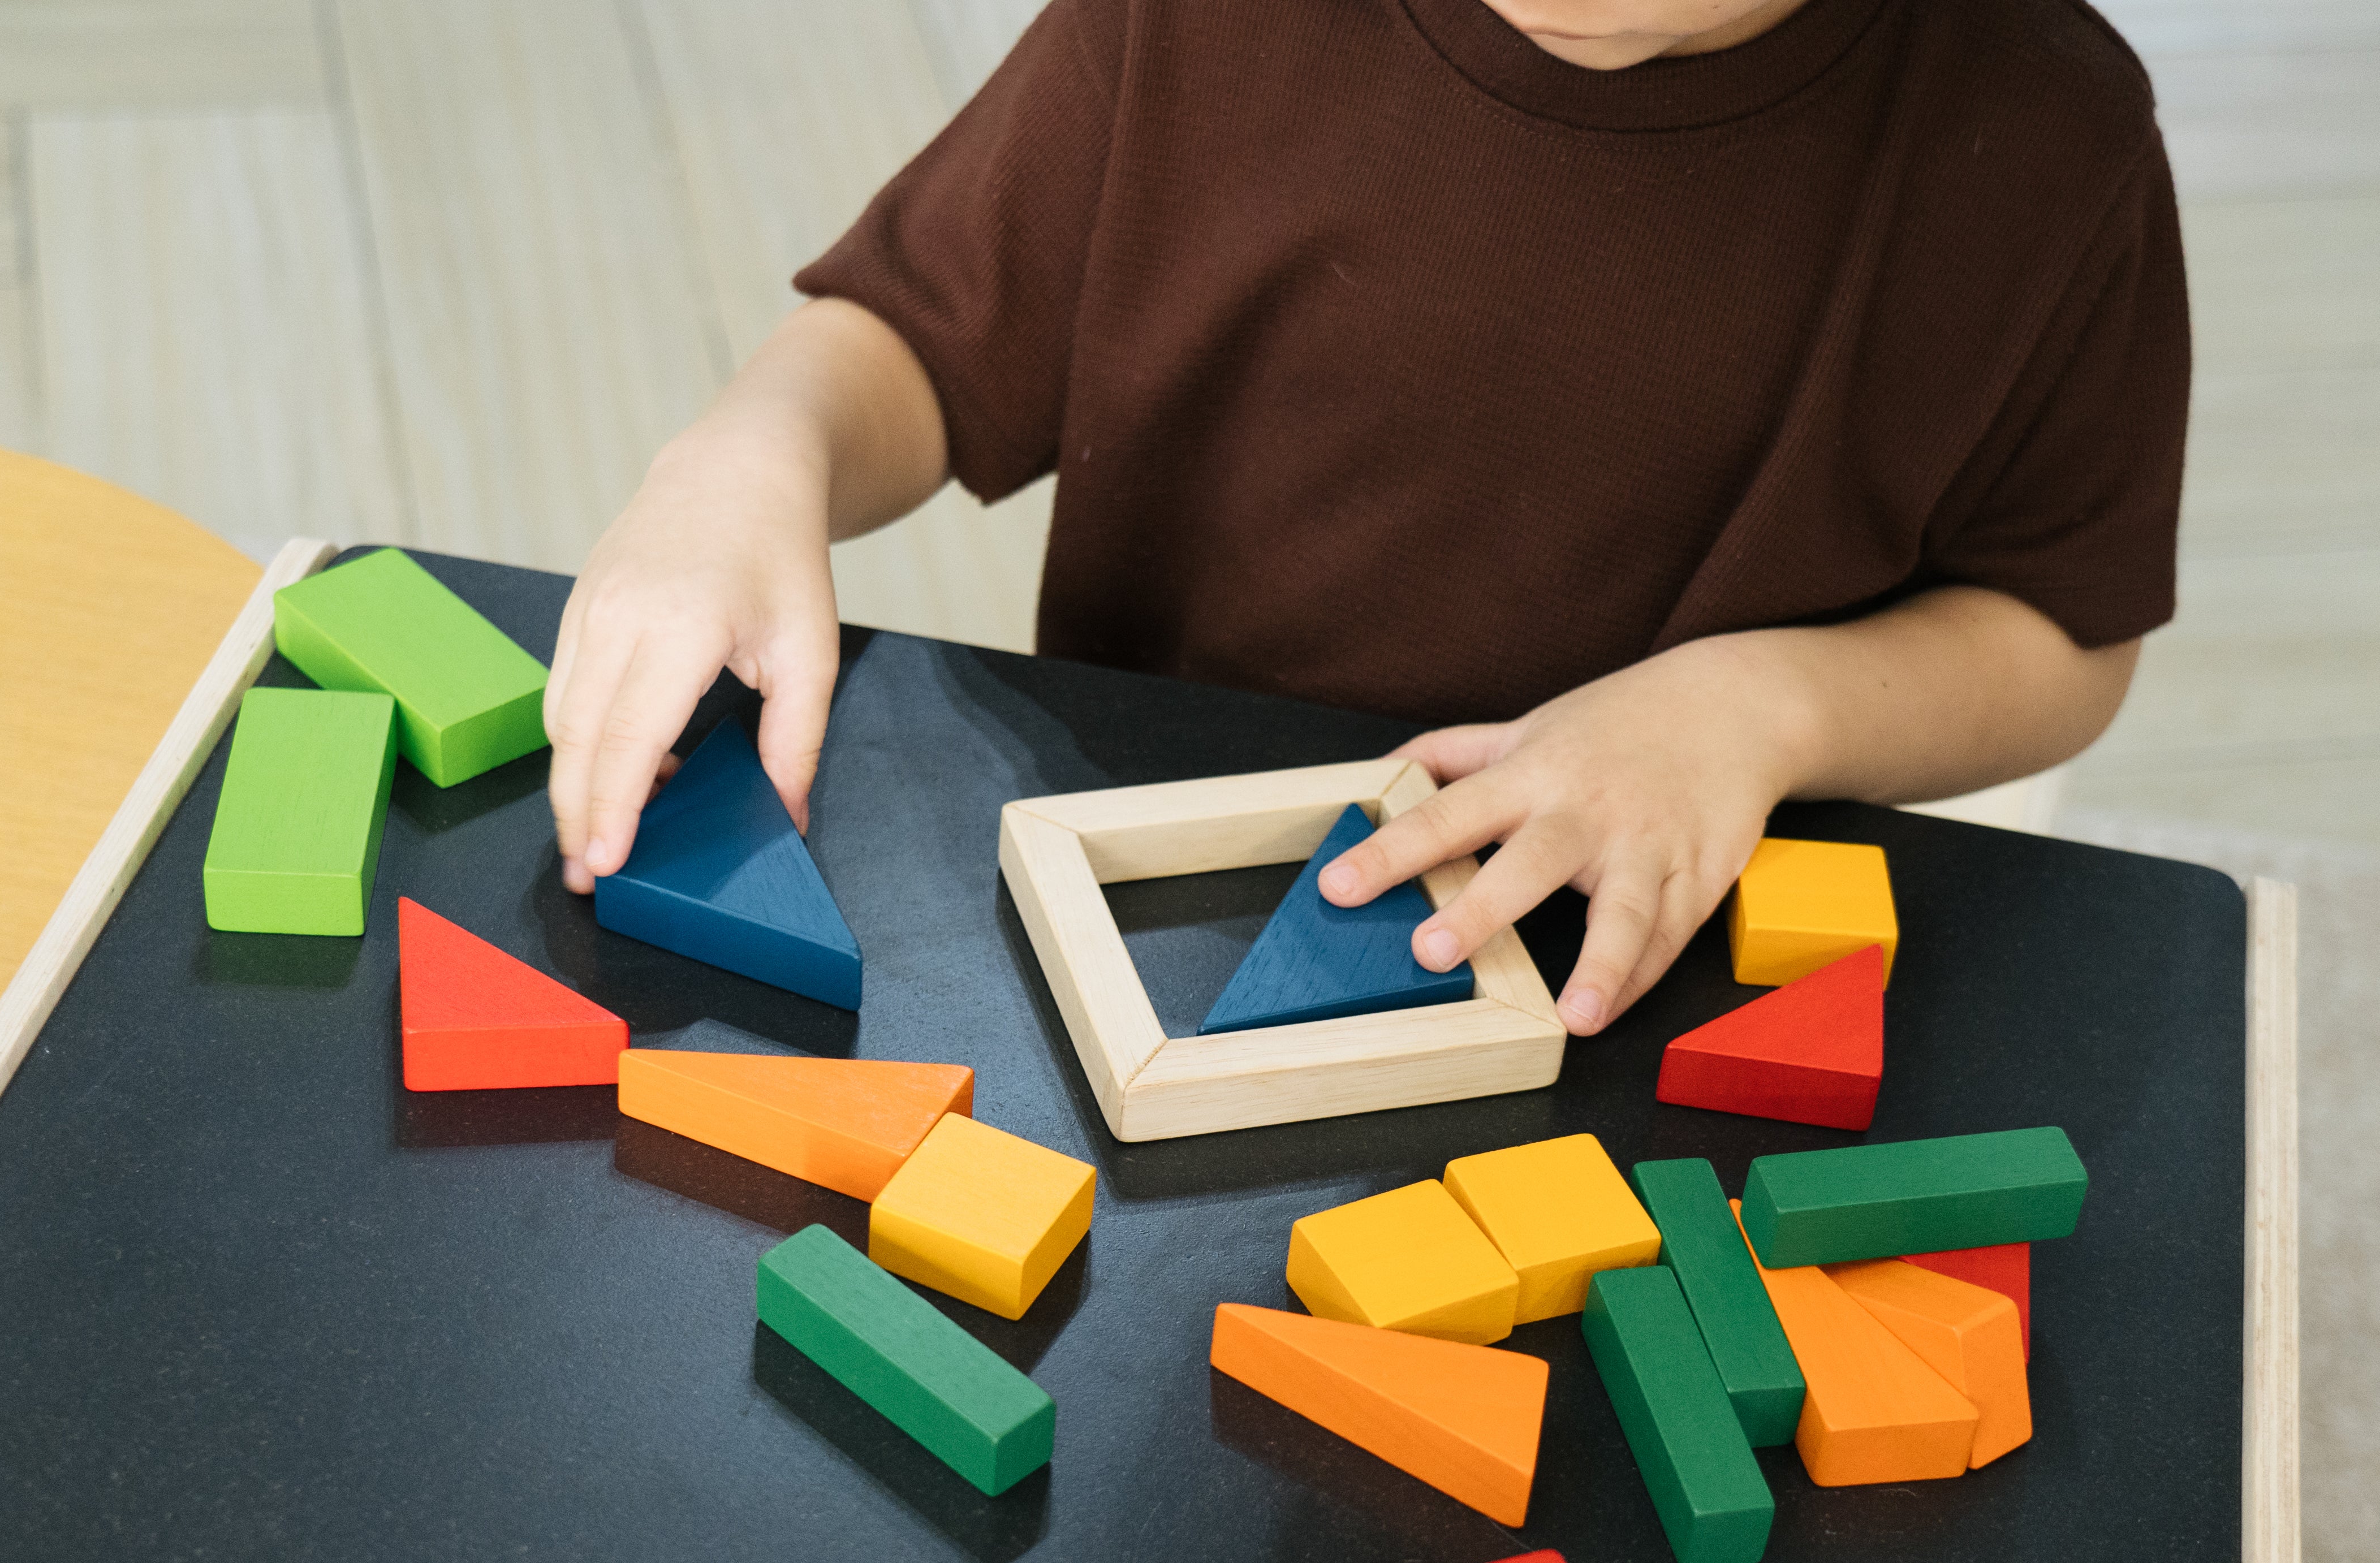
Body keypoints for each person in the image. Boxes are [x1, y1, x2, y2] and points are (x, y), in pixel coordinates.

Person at [544, 0, 2185, 1037]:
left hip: (1653, 981)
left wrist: (1763, 711)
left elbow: (2062, 633)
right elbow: (924, 342)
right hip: (1162, 914)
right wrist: (757, 447)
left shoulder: (2049, 134)